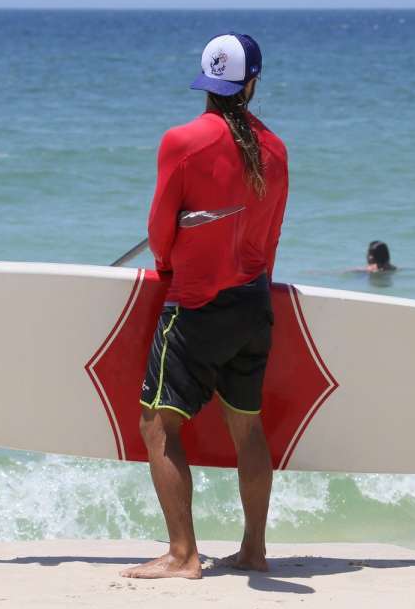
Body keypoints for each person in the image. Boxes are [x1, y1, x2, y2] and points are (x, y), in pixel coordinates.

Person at [121, 33, 289, 580]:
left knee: (157, 423)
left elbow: (158, 232)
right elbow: (270, 239)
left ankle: (182, 554)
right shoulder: (276, 149)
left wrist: (171, 265)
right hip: (253, 303)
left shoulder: (181, 141)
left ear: (206, 83)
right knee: (248, 426)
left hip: (195, 307)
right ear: (253, 84)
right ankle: (254, 550)